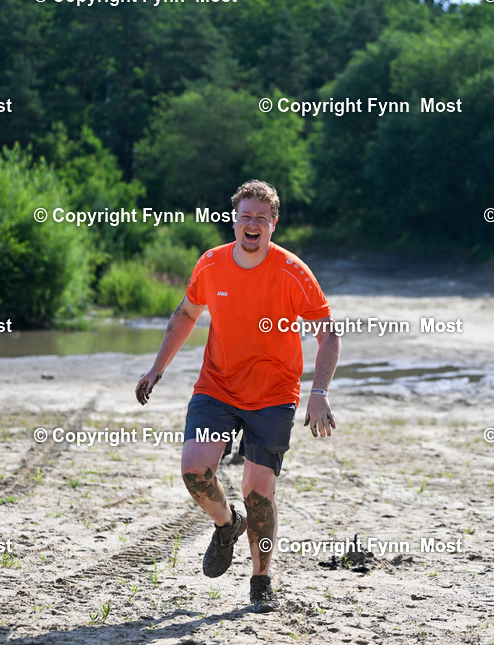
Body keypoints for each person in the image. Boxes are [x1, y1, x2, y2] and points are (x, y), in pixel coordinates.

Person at [135, 180, 341, 613]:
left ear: (273, 224)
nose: (252, 224)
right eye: (245, 216)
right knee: (195, 472)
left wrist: (319, 392)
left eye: (260, 219)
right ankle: (227, 526)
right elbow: (187, 313)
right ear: (234, 219)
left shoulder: (292, 272)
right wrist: (157, 368)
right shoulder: (211, 265)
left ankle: (261, 579)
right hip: (218, 387)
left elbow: (328, 334)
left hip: (273, 395)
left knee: (257, 493)